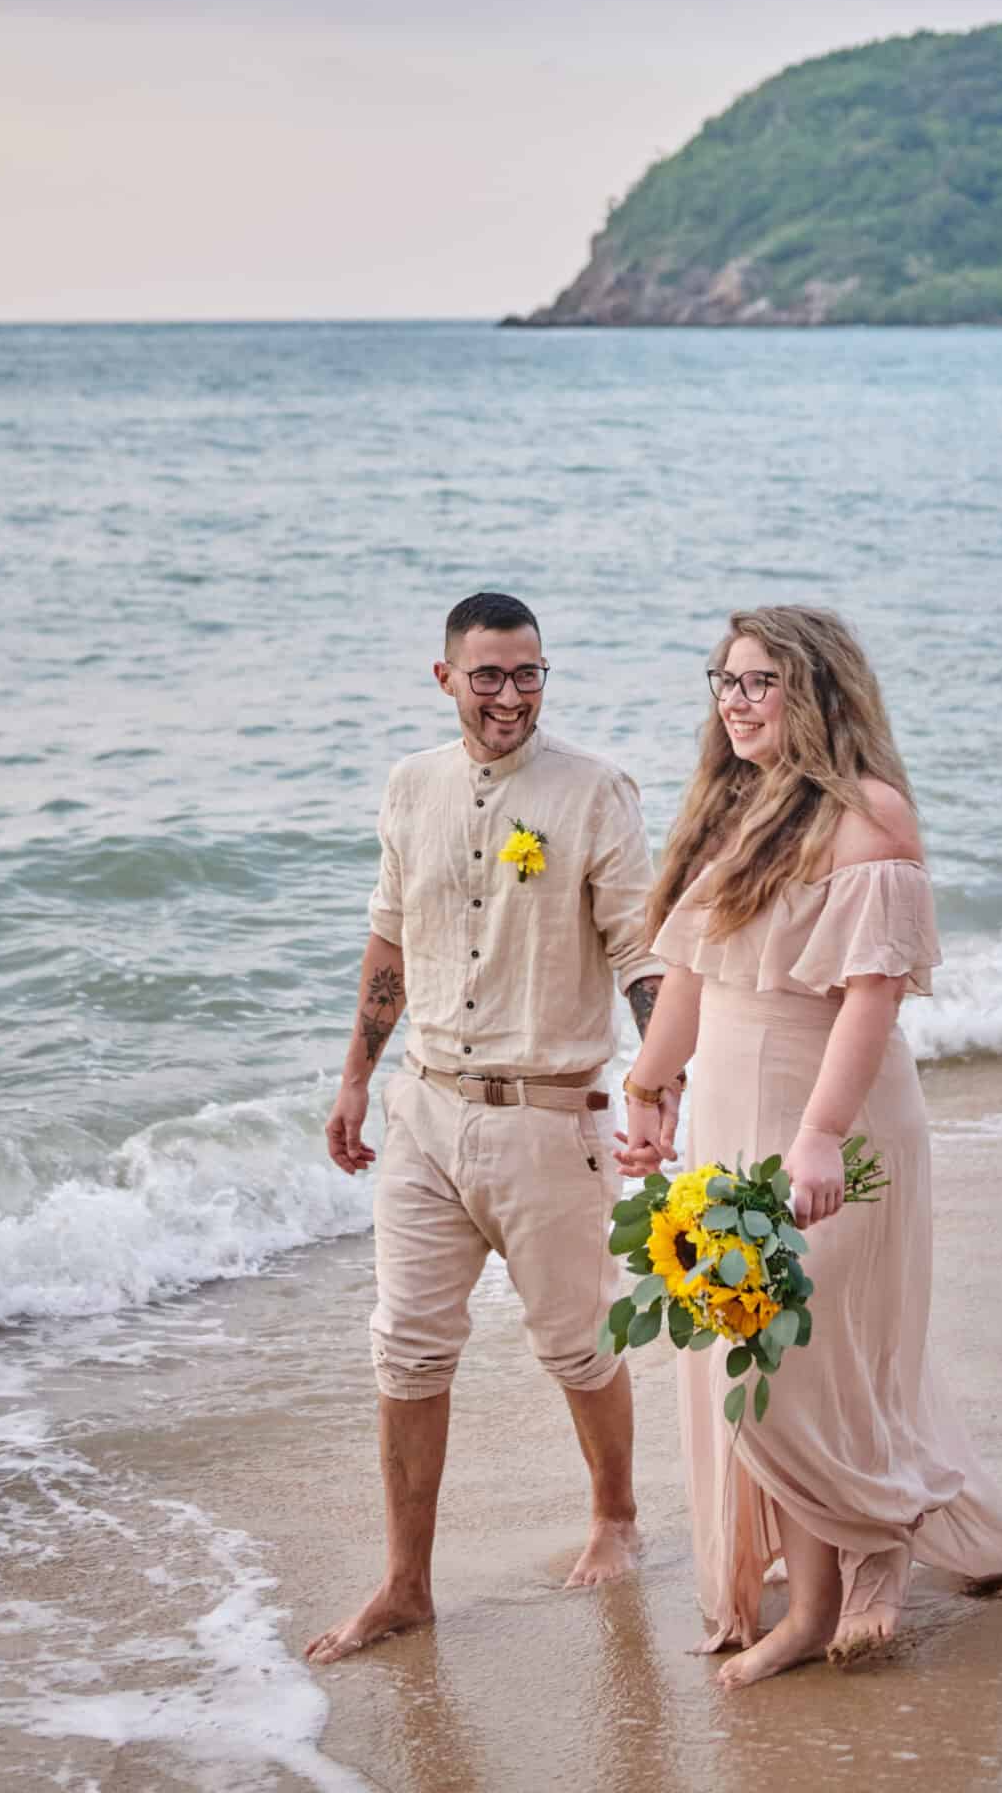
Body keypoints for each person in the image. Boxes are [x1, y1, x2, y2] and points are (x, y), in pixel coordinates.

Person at [616, 605, 1002, 1689]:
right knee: (751, 1352)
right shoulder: (728, 809)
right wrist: (649, 1082)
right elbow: (691, 974)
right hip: (728, 1121)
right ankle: (815, 1592)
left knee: (811, 1354)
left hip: (832, 1127)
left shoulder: (868, 816)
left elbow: (870, 998)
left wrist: (815, 1138)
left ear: (820, 692)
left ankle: (864, 1559)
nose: (734, 701)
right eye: (724, 680)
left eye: (759, 682)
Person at [306, 590, 678, 1664]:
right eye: (488, 675)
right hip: (421, 1109)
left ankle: (614, 1514)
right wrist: (350, 1080)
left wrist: (655, 1086)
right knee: (406, 1351)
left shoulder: (594, 790)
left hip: (548, 1116)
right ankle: (403, 1586)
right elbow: (387, 940)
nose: (510, 694)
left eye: (527, 674)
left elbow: (639, 952)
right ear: (445, 678)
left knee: (575, 1341)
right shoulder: (408, 786)